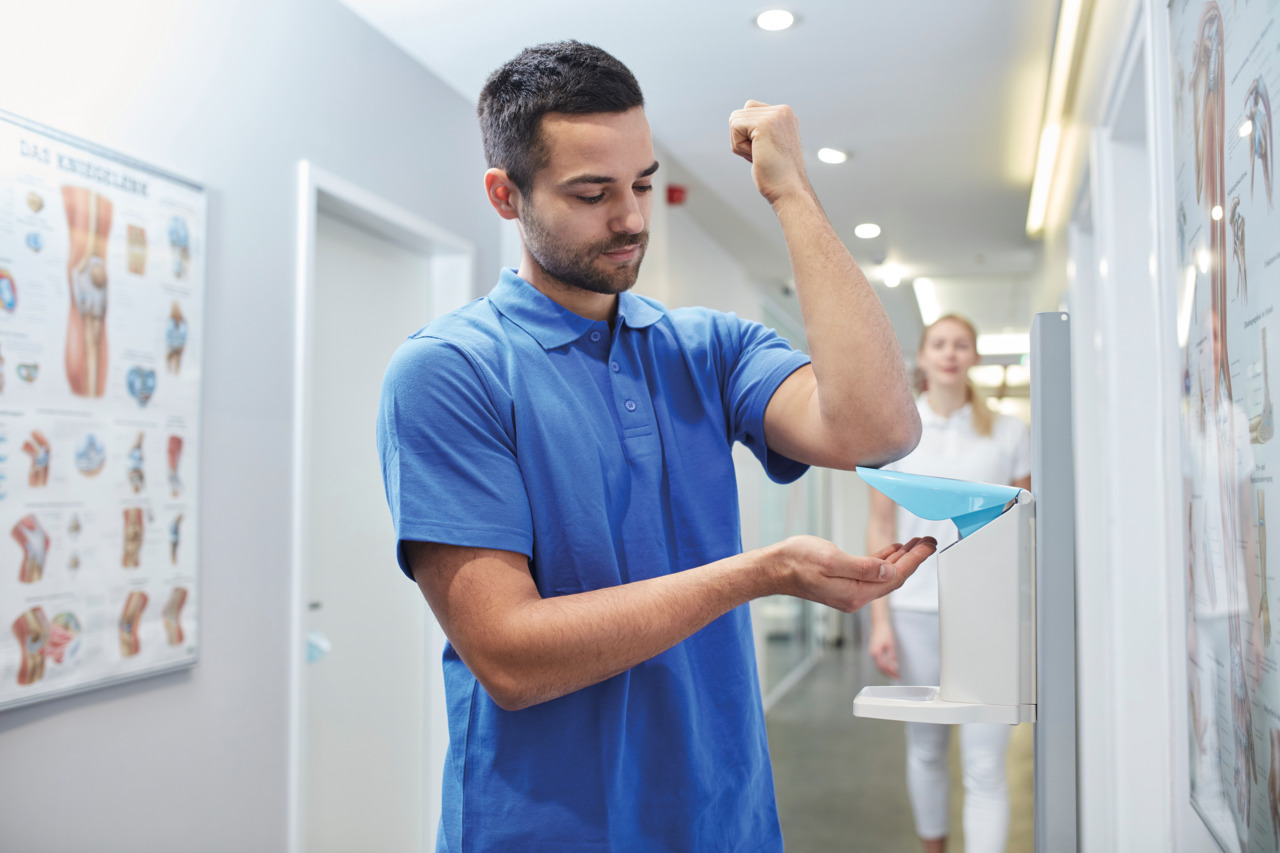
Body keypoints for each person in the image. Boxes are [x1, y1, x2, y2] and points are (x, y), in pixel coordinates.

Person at [377, 40, 935, 851]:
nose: (632, 217)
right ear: (507, 195)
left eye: (641, 183)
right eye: (592, 193)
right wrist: (760, 572)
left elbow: (879, 429)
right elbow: (510, 656)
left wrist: (792, 193)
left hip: (723, 815)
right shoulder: (451, 372)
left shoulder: (705, 349)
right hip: (546, 830)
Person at [865, 314, 1032, 853]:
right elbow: (881, 529)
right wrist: (879, 619)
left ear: (974, 357)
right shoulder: (898, 435)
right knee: (927, 748)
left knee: (985, 763)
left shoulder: (1009, 433)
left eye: (962, 344)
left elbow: (1024, 529)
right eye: (940, 343)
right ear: (924, 355)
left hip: (990, 615)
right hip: (915, 610)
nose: (950, 353)